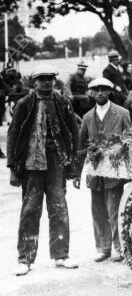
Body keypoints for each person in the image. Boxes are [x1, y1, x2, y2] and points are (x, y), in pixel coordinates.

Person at [6, 64, 79, 276]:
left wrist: (72, 164)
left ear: (54, 80)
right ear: (34, 82)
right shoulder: (24, 104)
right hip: (31, 164)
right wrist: (13, 167)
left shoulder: (63, 103)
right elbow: (12, 135)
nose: (46, 82)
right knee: (30, 210)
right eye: (42, 78)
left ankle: (61, 255)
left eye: (50, 78)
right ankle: (25, 259)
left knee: (59, 207)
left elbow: (73, 132)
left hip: (56, 162)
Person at [75, 78, 132, 263]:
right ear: (91, 93)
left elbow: (131, 142)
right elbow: (81, 146)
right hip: (94, 170)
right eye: (95, 90)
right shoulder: (87, 118)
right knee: (98, 210)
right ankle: (103, 247)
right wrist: (77, 173)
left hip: (114, 171)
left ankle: (118, 247)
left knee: (114, 209)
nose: (99, 93)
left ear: (109, 92)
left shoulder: (122, 114)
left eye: (103, 89)